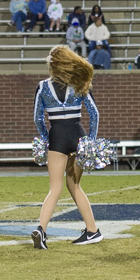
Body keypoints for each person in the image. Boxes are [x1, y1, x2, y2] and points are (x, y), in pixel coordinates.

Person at [30, 46, 103, 249]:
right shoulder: (79, 83)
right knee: (75, 186)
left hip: (57, 137)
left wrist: (46, 138)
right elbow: (94, 114)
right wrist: (91, 140)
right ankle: (92, 230)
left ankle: (41, 230)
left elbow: (37, 118)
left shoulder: (43, 87)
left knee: (55, 188)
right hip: (77, 135)